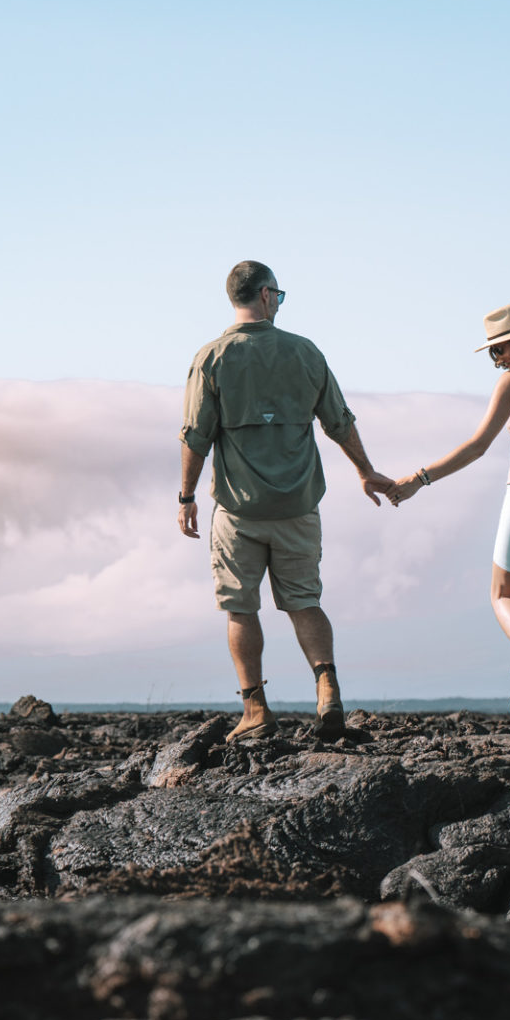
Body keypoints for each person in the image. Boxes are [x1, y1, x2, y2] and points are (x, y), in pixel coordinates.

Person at [179, 260, 395, 739]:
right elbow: (338, 419)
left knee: (240, 608)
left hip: (238, 510)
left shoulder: (211, 357)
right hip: (298, 506)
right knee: (304, 601)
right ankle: (328, 690)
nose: (278, 301)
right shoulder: (305, 352)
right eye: (277, 294)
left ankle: (255, 710)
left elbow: (195, 436)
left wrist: (186, 495)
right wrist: (365, 471)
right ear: (264, 295)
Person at [388, 289, 510, 732]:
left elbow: (477, 447)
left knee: (503, 596)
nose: (495, 358)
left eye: (497, 348)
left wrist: (417, 480)